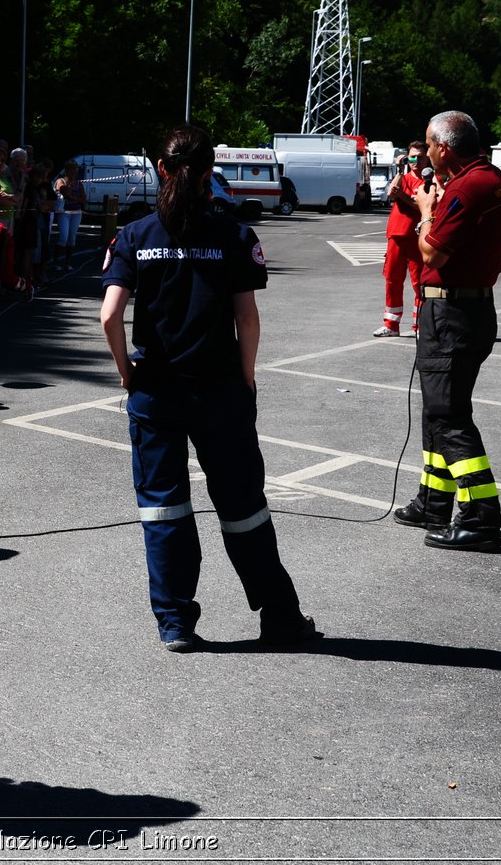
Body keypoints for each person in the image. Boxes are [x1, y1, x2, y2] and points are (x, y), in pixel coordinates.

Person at [100, 125, 318, 653]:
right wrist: (245, 376)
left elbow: (109, 316)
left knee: (163, 508)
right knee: (244, 508)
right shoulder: (234, 234)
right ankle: (279, 617)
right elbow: (248, 317)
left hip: (157, 391)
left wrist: (128, 373)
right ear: (209, 173)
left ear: (159, 169)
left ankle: (175, 622)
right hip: (220, 389)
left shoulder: (135, 234)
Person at [393, 111, 501, 552]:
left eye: (428, 145)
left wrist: (425, 211)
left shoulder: (469, 186)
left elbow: (432, 253)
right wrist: (417, 206)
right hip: (462, 309)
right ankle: (434, 501)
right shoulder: (485, 179)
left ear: (444, 148)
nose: (425, 153)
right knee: (436, 413)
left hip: (455, 313)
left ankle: (482, 519)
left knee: (448, 417)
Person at [375, 141, 430, 337]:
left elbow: (423, 206)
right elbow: (391, 193)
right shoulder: (403, 177)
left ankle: (420, 326)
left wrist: (404, 197)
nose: (416, 161)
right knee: (392, 280)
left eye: (420, 157)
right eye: (412, 157)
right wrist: (399, 170)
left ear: (427, 158)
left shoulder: (429, 180)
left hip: (416, 237)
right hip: (396, 235)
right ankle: (391, 325)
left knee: (419, 284)